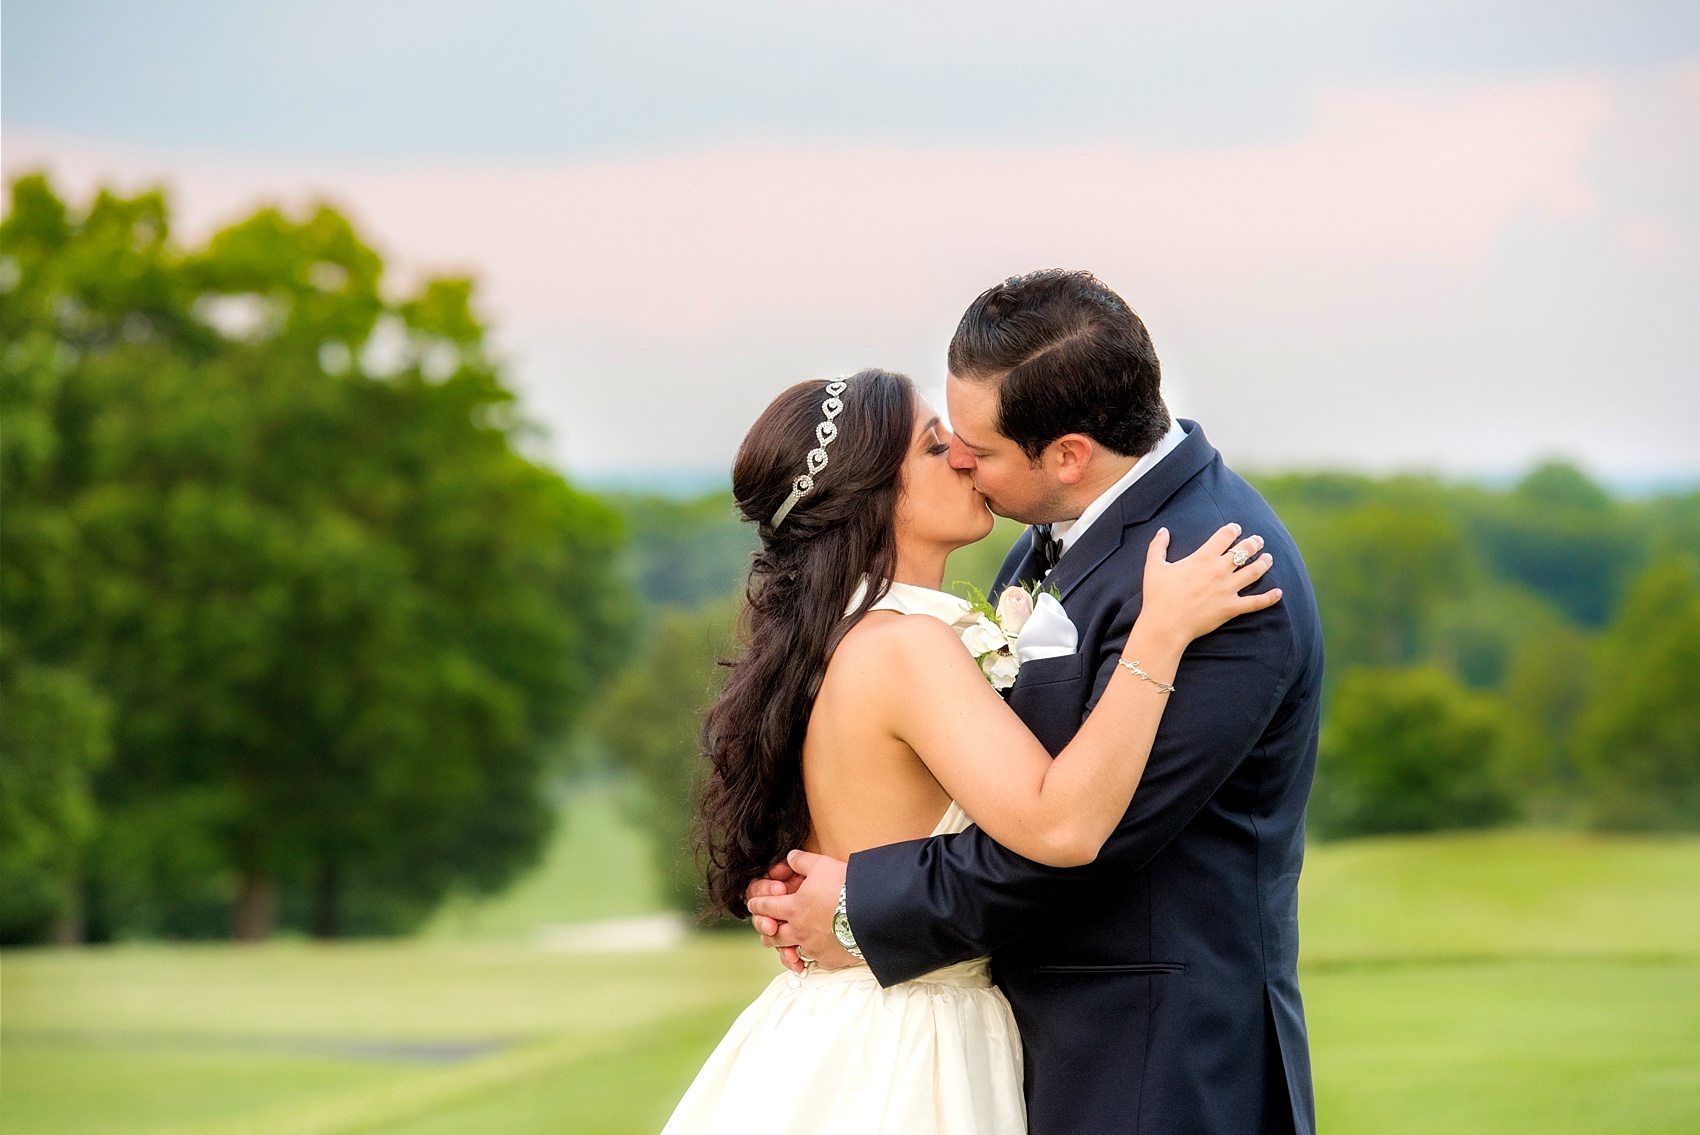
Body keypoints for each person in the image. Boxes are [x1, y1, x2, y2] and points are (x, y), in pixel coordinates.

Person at [744, 271, 1325, 1135]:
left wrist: (862, 905)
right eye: (940, 443)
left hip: (1152, 1057)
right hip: (1002, 1039)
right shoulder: (1026, 557)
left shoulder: (1218, 573)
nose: (965, 460)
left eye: (970, 445)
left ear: (1067, 454)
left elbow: (1081, 843)